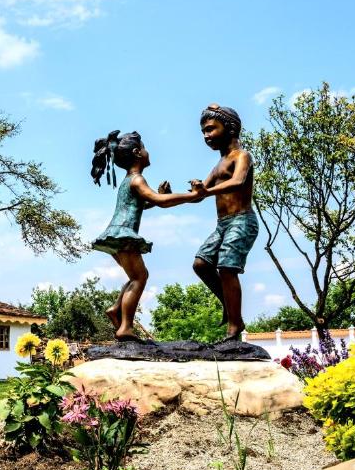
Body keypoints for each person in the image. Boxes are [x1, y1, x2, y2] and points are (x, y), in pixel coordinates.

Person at [91, 130, 204, 341]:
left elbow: (143, 204)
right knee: (139, 278)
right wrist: (191, 196)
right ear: (137, 153)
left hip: (117, 235)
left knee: (135, 277)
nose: (147, 151)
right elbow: (159, 202)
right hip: (123, 236)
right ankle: (125, 326)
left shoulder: (129, 181)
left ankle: (116, 309)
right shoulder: (137, 180)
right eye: (144, 148)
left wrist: (161, 195)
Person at [190, 104, 258, 341]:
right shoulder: (217, 165)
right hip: (223, 225)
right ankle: (231, 310)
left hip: (242, 220)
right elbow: (199, 195)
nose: (206, 135)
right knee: (201, 264)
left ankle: (234, 324)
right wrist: (167, 195)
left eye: (210, 129)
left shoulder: (242, 156)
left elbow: (238, 181)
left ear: (229, 128)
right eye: (203, 132)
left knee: (227, 267)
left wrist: (205, 191)